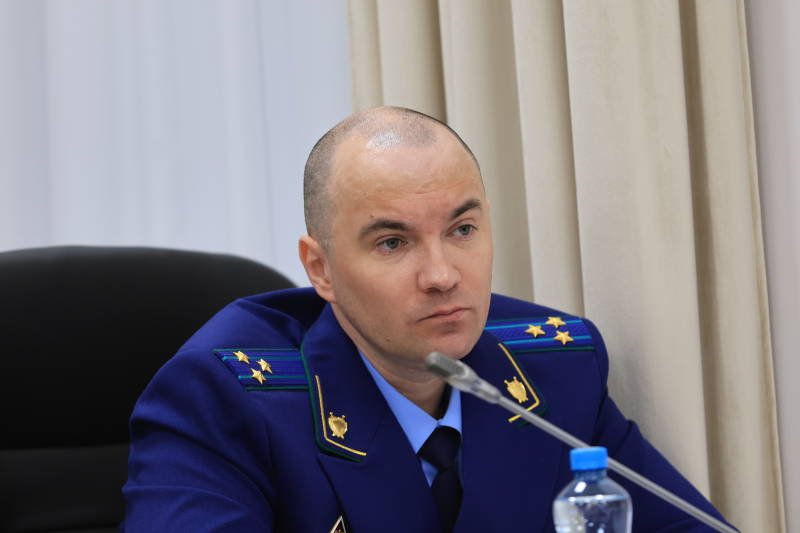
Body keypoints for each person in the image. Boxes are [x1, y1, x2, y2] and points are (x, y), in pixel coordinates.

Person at [122, 106, 729, 532]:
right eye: (393, 242)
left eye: (462, 230)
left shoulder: (557, 366)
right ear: (321, 269)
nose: (442, 275)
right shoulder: (225, 397)